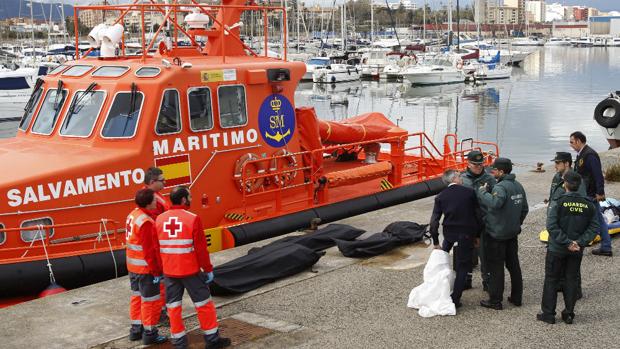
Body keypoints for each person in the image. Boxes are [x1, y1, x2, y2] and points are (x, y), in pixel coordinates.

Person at [155, 186, 230, 349]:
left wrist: (159, 270)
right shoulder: (192, 218)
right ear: (183, 200)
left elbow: (156, 248)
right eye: (189, 196)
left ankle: (179, 342)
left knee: (173, 307)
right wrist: (208, 269)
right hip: (190, 271)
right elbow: (201, 250)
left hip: (169, 271)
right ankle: (212, 340)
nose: (191, 199)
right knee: (203, 304)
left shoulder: (159, 219)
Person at [538, 170, 599, 324]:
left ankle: (548, 314)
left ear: (565, 184)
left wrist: (566, 242)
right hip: (576, 250)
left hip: (557, 249)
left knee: (551, 279)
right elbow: (593, 228)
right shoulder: (588, 204)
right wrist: (579, 242)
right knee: (571, 279)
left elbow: (551, 225)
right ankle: (569, 313)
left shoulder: (558, 201)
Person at [477, 158, 529, 310]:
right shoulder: (518, 186)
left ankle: (495, 301)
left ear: (501, 171)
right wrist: (516, 223)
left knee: (496, 267)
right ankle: (516, 297)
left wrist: (482, 192)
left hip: (497, 235)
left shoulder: (500, 188)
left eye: (494, 169)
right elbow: (524, 209)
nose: (492, 172)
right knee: (514, 266)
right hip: (512, 234)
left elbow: (495, 203)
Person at [429, 169, 482, 308]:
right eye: (459, 176)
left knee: (442, 260)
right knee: (463, 266)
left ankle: (440, 289)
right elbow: (478, 216)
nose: (461, 178)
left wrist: (435, 241)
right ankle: (455, 298)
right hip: (466, 233)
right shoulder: (469, 192)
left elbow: (434, 221)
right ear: (454, 179)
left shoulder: (440, 196)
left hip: (449, 233)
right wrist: (478, 235)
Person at [126, 189, 167, 345]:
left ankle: (136, 330)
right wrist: (157, 271)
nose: (157, 202)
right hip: (145, 270)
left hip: (133, 268)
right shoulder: (146, 222)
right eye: (155, 200)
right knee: (150, 302)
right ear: (149, 203)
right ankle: (150, 333)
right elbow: (150, 251)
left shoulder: (132, 215)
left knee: (136, 298)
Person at [548, 151, 587, 299]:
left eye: (558, 163)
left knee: (573, 262)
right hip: (557, 224)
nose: (555, 165)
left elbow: (580, 204)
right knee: (560, 260)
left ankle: (575, 290)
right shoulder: (557, 177)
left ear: (567, 164)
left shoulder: (577, 180)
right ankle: (562, 285)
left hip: (570, 226)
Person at [570, 131, 612, 256]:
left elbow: (598, 175)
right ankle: (603, 246)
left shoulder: (589, 155)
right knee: (594, 219)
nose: (571, 145)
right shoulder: (582, 154)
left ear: (578, 141)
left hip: (590, 194)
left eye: (572, 142)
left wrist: (600, 192)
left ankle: (605, 247)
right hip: (585, 192)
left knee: (597, 220)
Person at [461, 150, 497, 291]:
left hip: (484, 221)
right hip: (467, 221)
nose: (478, 167)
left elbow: (495, 200)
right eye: (475, 164)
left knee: (486, 254)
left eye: (480, 164)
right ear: (468, 164)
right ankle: (466, 279)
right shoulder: (462, 179)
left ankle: (487, 280)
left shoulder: (490, 179)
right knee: (465, 253)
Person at [144, 167, 170, 318]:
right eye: (162, 180)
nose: (165, 183)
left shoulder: (155, 196)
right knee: (161, 280)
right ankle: (161, 311)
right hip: (158, 246)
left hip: (160, 243)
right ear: (153, 182)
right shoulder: (151, 200)